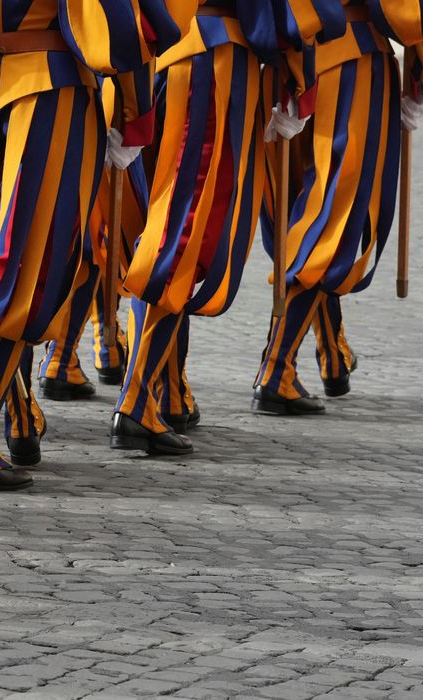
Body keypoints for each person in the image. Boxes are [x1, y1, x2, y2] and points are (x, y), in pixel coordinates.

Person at [0, 0, 194, 487]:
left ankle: (16, 415)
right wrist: (134, 111)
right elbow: (120, 18)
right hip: (47, 86)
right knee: (22, 270)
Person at [111, 1, 346, 454]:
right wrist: (300, 76)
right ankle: (137, 399)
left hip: (164, 55)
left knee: (175, 227)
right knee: (182, 234)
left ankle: (166, 391)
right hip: (215, 58)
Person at [253, 0, 401, 416]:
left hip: (284, 62)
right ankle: (276, 369)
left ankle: (331, 353)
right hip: (352, 57)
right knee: (330, 222)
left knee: (306, 219)